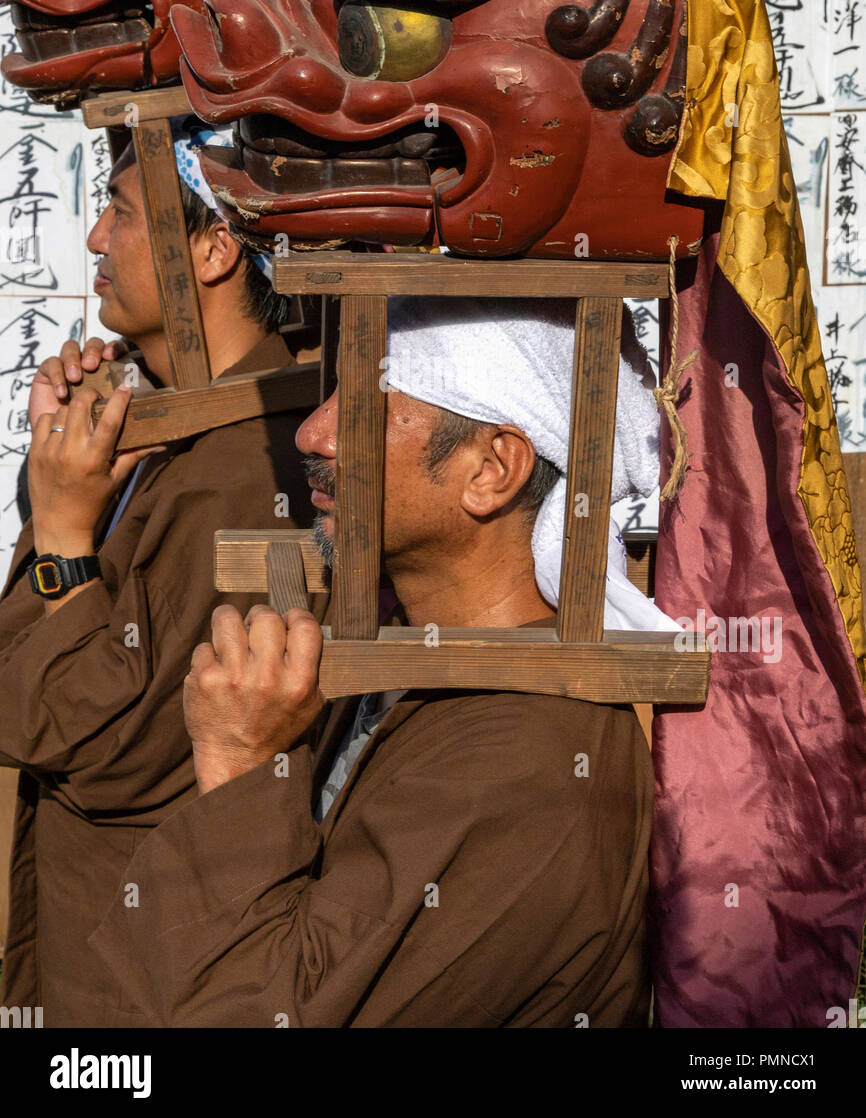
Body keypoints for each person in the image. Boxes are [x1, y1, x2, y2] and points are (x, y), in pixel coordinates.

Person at [92, 296, 678, 1028]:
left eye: (367, 403)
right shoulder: (403, 655)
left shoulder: (525, 759)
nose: (313, 431)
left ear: (492, 469)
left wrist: (241, 767)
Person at [0, 123, 314, 1027]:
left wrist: (63, 527)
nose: (97, 238)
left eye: (122, 213)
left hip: (146, 969)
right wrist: (64, 484)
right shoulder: (168, 421)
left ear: (215, 246)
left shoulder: (246, 464)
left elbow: (95, 749)